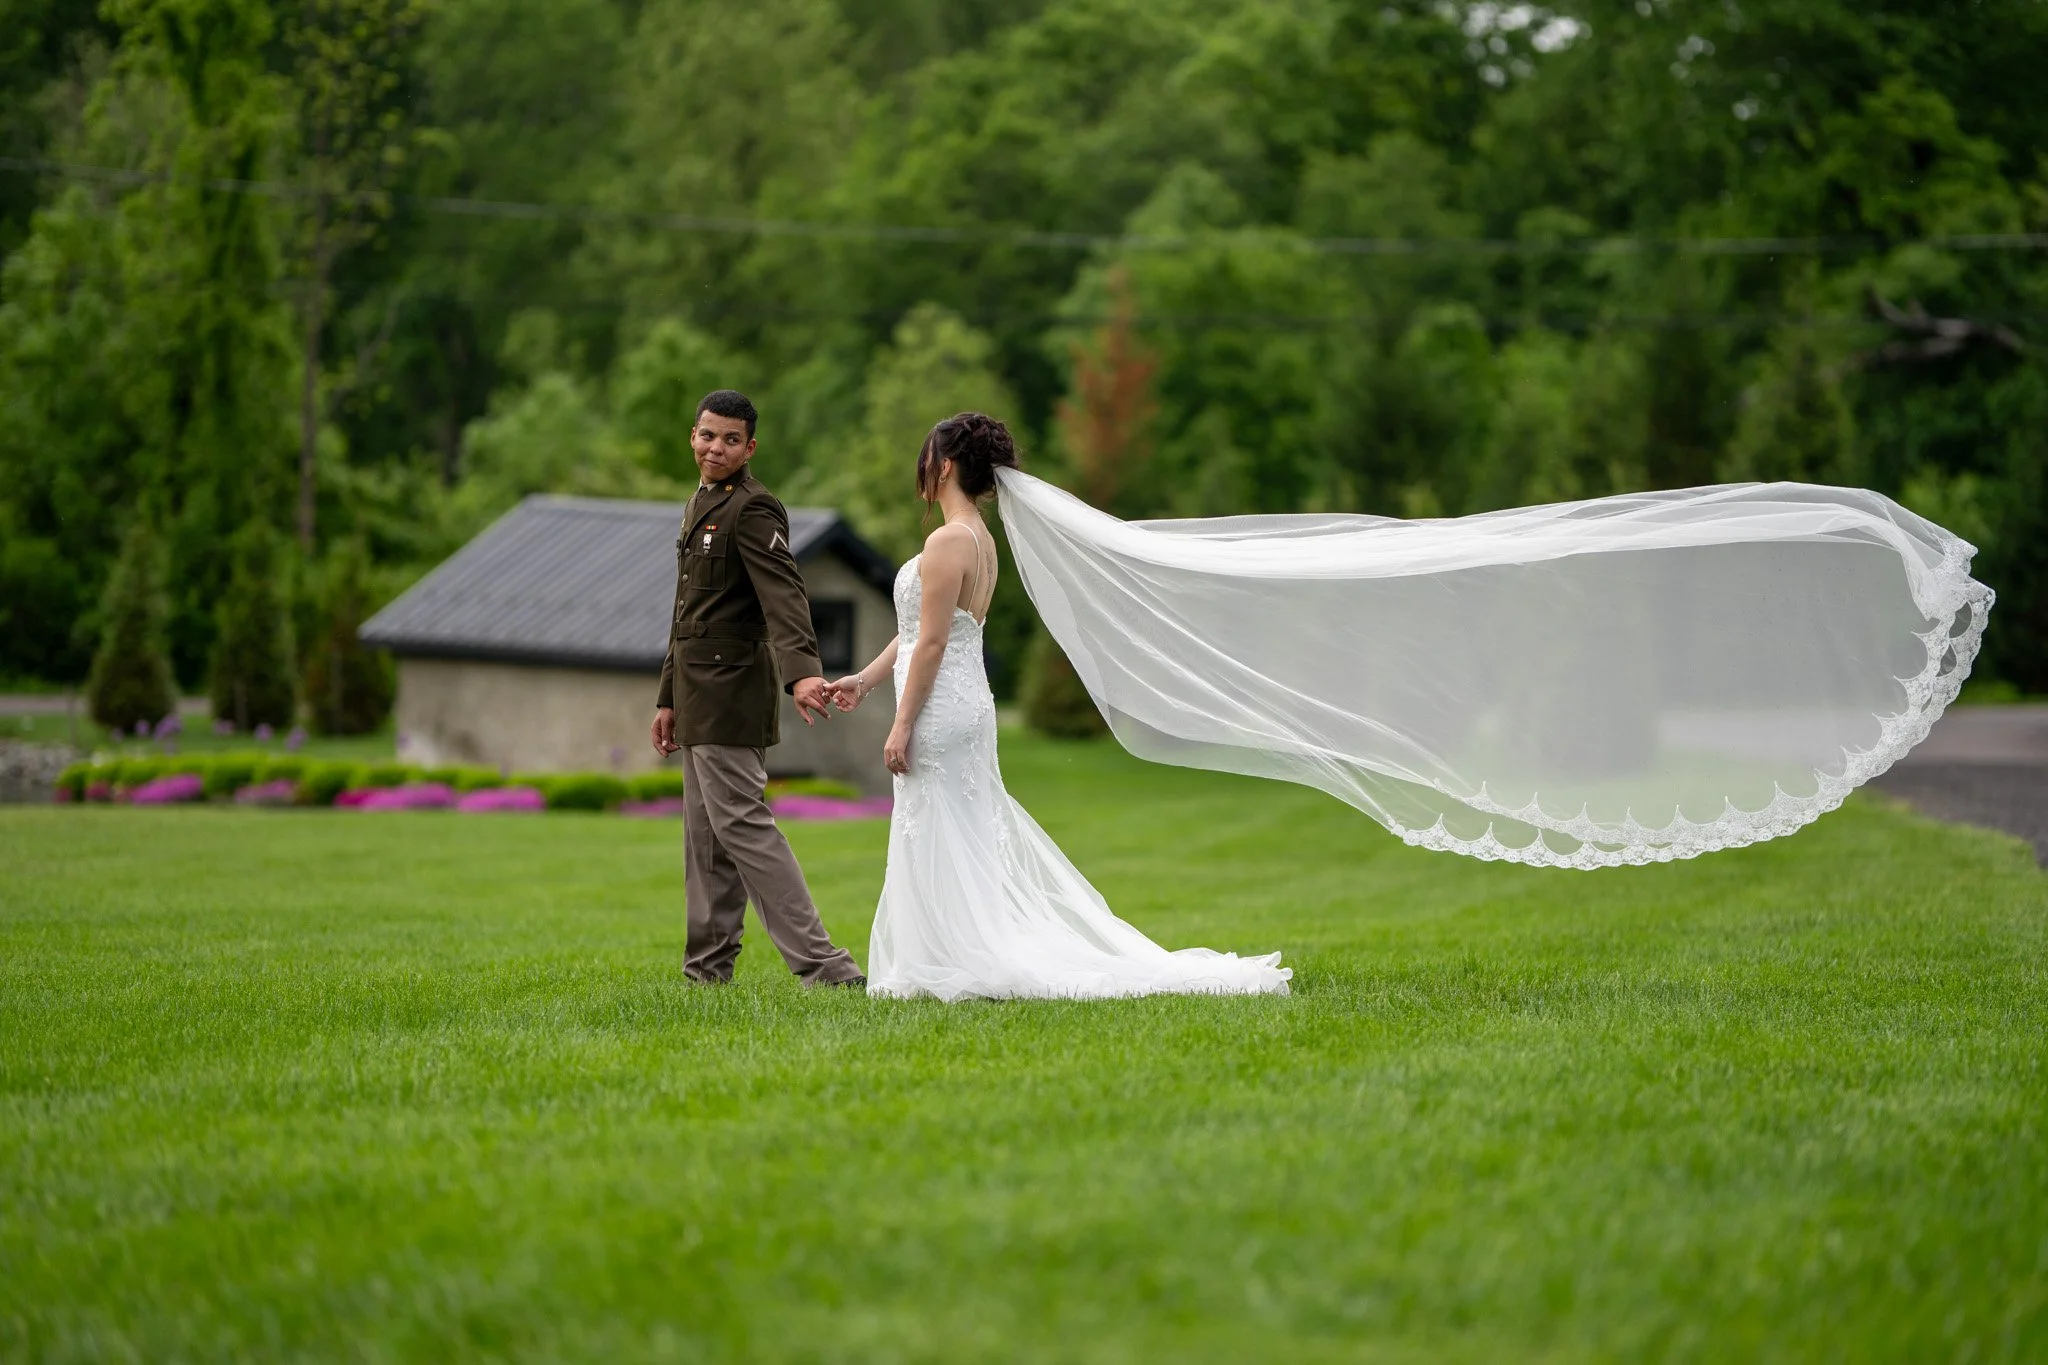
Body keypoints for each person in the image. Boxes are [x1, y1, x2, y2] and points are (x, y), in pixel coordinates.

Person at [824, 414, 1292, 1001]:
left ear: (943, 466)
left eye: (925, 458)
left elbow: (935, 643)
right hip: (963, 702)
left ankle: (956, 962)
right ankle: (946, 957)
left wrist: (900, 723)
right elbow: (920, 629)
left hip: (941, 706)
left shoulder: (948, 541)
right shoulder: (978, 539)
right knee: (949, 830)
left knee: (940, 829)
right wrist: (865, 681)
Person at [651, 390, 865, 989]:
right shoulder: (699, 503)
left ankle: (827, 969)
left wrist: (800, 674)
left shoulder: (754, 507)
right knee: (705, 838)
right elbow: (686, 612)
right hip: (694, 694)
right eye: (705, 435)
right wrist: (667, 697)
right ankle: (707, 972)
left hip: (731, 691)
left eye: (729, 439)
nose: (714, 447)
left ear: (750, 447)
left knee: (741, 825)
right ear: (692, 436)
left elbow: (785, 596)